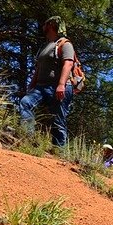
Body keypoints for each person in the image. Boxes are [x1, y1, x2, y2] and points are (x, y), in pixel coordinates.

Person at [19, 16, 75, 147]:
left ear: (51, 25)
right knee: (26, 102)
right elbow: (39, 69)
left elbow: (68, 64)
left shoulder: (65, 44)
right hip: (41, 87)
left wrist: (61, 85)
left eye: (45, 24)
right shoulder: (45, 46)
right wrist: (31, 86)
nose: (43, 27)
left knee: (58, 121)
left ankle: (60, 153)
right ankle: (28, 139)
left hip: (59, 87)